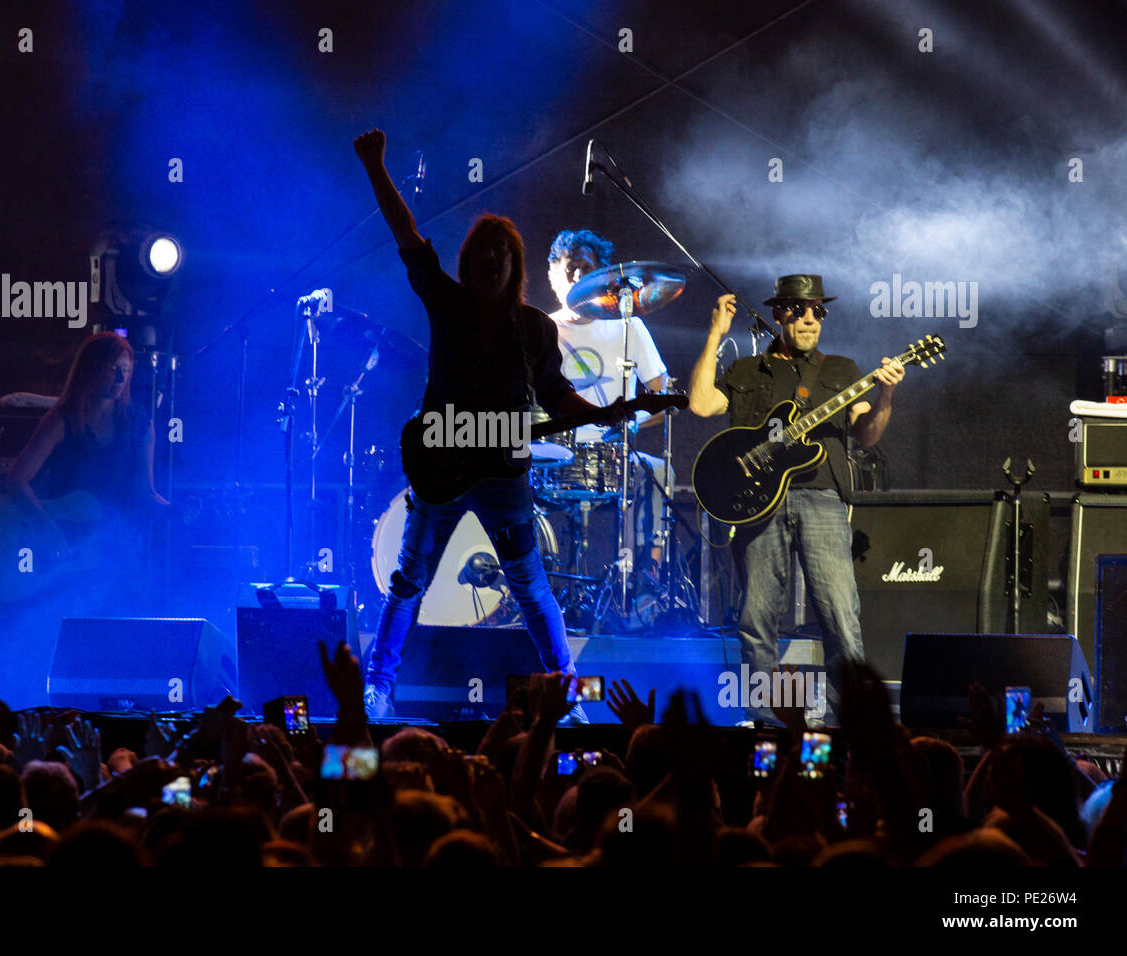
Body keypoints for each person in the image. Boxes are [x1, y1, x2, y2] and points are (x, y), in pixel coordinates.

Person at [353, 129, 620, 721]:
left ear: (513, 266)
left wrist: (607, 413)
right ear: (468, 263)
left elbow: (556, 394)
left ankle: (565, 691)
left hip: (502, 477)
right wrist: (375, 166)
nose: (491, 258)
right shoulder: (445, 303)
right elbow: (407, 236)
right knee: (408, 583)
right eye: (482, 250)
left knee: (530, 586)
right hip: (442, 473)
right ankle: (378, 687)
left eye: (502, 251)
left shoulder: (534, 329)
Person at [688, 275, 904, 725]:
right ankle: (762, 718)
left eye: (818, 312)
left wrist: (885, 394)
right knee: (758, 615)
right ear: (778, 314)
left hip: (822, 496)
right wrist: (714, 334)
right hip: (758, 502)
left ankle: (850, 719)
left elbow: (865, 434)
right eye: (800, 310)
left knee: (841, 613)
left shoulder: (842, 371)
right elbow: (702, 404)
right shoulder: (748, 371)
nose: (810, 318)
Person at [4, 332, 168, 601]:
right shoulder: (63, 420)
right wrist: (46, 527)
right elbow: (17, 479)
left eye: (125, 371)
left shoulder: (140, 426)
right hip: (66, 553)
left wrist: (174, 511)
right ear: (91, 369)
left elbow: (145, 493)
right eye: (112, 369)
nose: (119, 379)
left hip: (115, 551)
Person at [546, 229, 670, 572]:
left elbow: (662, 399)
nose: (576, 275)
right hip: (556, 454)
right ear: (553, 274)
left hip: (615, 454)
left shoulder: (628, 327)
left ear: (601, 276)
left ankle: (647, 577)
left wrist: (631, 423)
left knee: (661, 471)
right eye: (569, 267)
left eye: (585, 267)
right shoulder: (542, 329)